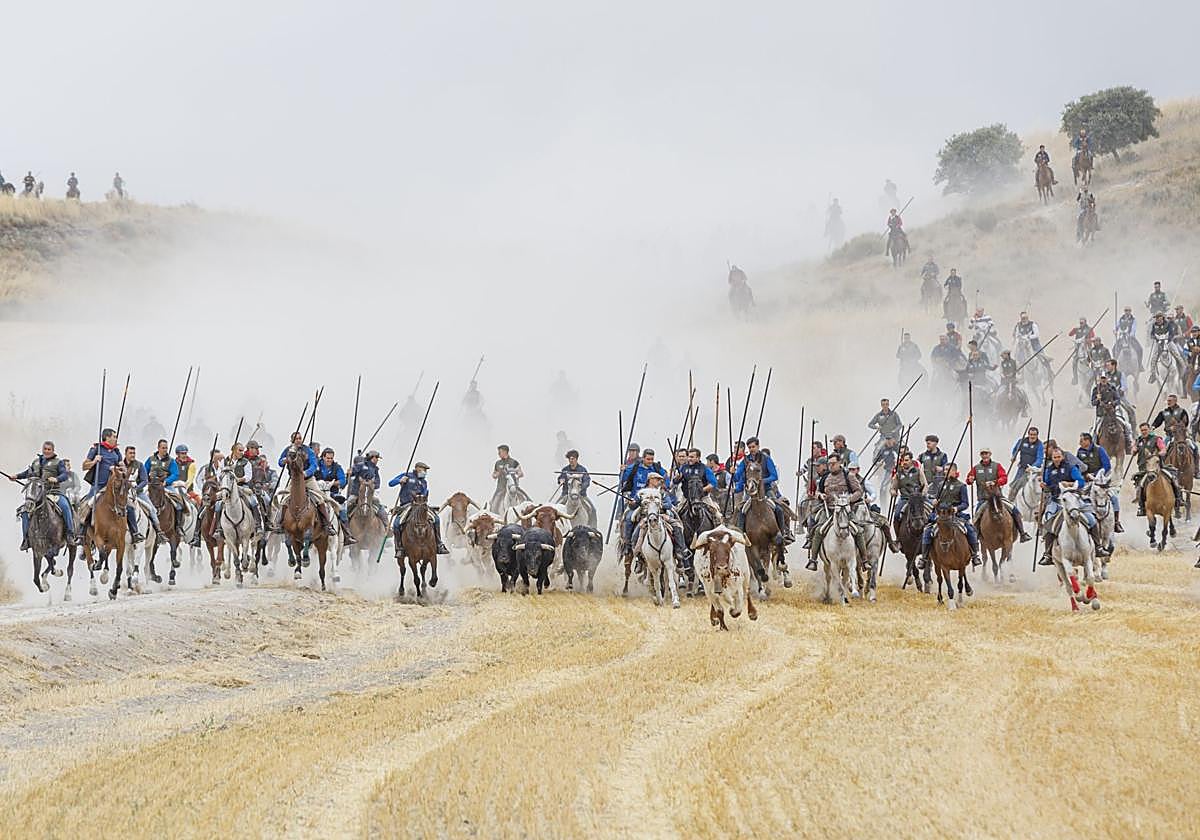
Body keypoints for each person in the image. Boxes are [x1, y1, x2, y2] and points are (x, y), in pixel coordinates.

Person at [1037, 446, 1107, 566]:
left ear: (1062, 456)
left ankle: (1098, 547)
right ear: (1052, 458)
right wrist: (1044, 485)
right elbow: (1047, 484)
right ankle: (1048, 554)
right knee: (1048, 522)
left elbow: (1081, 482)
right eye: (1054, 457)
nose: (1057, 459)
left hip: (1073, 499)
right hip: (1056, 500)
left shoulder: (1071, 467)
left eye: (1059, 457)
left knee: (1091, 519)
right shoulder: (1049, 470)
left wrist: (1069, 483)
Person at [807, 454, 870, 571]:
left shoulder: (849, 476)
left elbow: (859, 491)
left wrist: (848, 500)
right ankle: (813, 560)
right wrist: (820, 495)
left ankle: (865, 560)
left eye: (833, 464)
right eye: (829, 464)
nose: (831, 466)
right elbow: (817, 492)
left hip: (845, 511)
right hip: (828, 511)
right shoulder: (825, 478)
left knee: (858, 530)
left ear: (840, 463)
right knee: (818, 530)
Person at [10, 441, 76, 550]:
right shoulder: (36, 462)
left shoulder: (58, 462)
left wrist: (56, 479)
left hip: (53, 492)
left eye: (49, 449)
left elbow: (64, 475)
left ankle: (70, 534)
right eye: (45, 449)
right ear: (42, 449)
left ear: (53, 450)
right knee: (25, 511)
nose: (46, 451)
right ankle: (26, 539)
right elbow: (27, 473)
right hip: (37, 493)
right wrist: (16, 476)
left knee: (65, 506)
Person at [78, 428, 139, 542]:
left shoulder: (116, 451)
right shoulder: (96, 449)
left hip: (115, 487)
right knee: (87, 505)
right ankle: (81, 534)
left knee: (129, 505)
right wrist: (94, 461)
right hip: (99, 485)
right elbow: (84, 466)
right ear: (107, 437)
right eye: (114, 436)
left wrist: (120, 469)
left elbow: (123, 466)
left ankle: (135, 532)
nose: (116, 439)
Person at [732, 437, 794, 546]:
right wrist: (733, 472)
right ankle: (740, 533)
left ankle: (782, 533)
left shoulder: (766, 459)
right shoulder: (745, 461)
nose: (751, 449)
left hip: (766, 490)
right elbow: (737, 478)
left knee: (778, 508)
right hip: (750, 492)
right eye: (749, 447)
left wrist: (761, 481)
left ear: (758, 446)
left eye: (753, 447)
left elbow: (774, 476)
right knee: (740, 510)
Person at [921, 462, 981, 568]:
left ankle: (974, 554)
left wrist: (956, 508)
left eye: (948, 470)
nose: (945, 472)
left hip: (955, 515)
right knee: (927, 531)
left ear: (954, 471)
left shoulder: (961, 486)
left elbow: (965, 503)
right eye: (944, 470)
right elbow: (936, 499)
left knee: (969, 529)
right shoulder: (940, 485)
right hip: (940, 515)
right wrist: (934, 502)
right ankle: (924, 558)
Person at [277, 431, 337, 536]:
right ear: (292, 440)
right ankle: (280, 523)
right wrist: (286, 460)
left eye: (300, 438)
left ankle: (327, 524)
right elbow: (280, 462)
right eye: (296, 439)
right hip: (294, 481)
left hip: (308, 480)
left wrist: (306, 473)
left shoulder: (308, 450)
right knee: (284, 499)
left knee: (320, 498)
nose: (299, 440)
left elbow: (314, 465)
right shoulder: (288, 450)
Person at [966, 448, 1032, 542]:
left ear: (990, 454)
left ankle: (1022, 533)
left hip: (998, 498)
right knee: (976, 517)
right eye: (983, 454)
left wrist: (995, 482)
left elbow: (1004, 478)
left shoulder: (997, 466)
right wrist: (970, 479)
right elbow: (968, 480)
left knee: (1014, 510)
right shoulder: (976, 468)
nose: (985, 456)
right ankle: (976, 538)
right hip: (984, 498)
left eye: (986, 453)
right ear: (980, 455)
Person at [389, 461, 449, 556]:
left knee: (436, 519)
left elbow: (424, 494)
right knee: (396, 524)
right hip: (406, 505)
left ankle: (439, 544)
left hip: (420, 505)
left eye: (425, 470)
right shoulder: (407, 475)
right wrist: (400, 481)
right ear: (417, 468)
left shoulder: (424, 482)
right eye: (423, 470)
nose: (425, 472)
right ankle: (399, 547)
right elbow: (390, 483)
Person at [1077, 432, 1124, 534]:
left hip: (1101, 480)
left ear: (1087, 441)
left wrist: (1096, 475)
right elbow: (1078, 466)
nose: (1079, 443)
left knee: (1114, 498)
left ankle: (1116, 522)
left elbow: (1107, 466)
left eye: (1081, 440)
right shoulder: (1080, 452)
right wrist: (1084, 475)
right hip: (1087, 481)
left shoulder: (1099, 450)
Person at [313, 447, 352, 542]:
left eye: (331, 458)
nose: (329, 460)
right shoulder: (316, 465)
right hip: (316, 492)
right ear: (323, 457)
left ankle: (347, 534)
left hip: (332, 494)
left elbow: (342, 481)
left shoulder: (337, 467)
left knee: (342, 510)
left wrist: (332, 483)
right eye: (328, 458)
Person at [345, 450, 390, 531]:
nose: (377, 460)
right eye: (376, 458)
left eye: (377, 458)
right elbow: (352, 472)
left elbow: (377, 481)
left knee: (379, 505)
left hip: (370, 494)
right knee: (347, 505)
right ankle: (345, 527)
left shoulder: (375, 469)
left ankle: (386, 526)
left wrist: (372, 484)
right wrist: (350, 472)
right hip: (356, 493)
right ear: (371, 457)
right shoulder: (361, 465)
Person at [123, 445, 162, 537]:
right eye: (130, 453)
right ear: (125, 454)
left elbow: (145, 480)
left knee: (151, 508)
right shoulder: (120, 464)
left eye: (134, 453)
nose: (132, 455)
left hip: (138, 492)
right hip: (123, 492)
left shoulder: (139, 465)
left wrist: (136, 489)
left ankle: (159, 531)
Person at [1008, 426, 1044, 500]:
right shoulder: (1022, 441)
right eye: (1031, 434)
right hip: (1021, 468)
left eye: (1034, 435)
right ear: (1028, 434)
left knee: (1030, 486)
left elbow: (1040, 459)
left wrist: (1031, 467)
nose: (1032, 436)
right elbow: (1015, 449)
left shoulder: (1040, 445)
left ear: (1037, 435)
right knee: (1014, 484)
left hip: (1032, 470)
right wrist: (1013, 456)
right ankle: (1010, 500)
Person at [1148, 312, 1185, 382]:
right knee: (1154, 357)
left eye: (1159, 317)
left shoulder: (1168, 324)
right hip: (1158, 342)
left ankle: (1183, 368)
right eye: (1156, 317)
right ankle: (1153, 374)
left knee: (1177, 354)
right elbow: (1152, 334)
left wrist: (1167, 338)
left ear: (1162, 317)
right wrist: (1155, 337)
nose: (1157, 319)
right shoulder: (1154, 325)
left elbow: (1172, 333)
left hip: (1168, 342)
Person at [490, 444, 523, 511]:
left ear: (505, 452)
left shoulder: (514, 462)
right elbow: (494, 475)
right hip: (501, 488)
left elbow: (521, 473)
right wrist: (498, 473)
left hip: (513, 487)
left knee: (525, 498)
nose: (498, 454)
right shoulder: (498, 463)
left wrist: (517, 474)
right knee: (493, 502)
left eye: (500, 452)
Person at [1115, 305, 1144, 370]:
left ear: (1130, 311)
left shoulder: (1133, 320)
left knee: (1140, 349)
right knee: (1114, 348)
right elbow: (1117, 326)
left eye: (1128, 311)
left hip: (1130, 338)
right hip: (1122, 337)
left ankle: (1139, 365)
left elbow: (1134, 328)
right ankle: (1116, 364)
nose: (1127, 312)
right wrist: (1115, 331)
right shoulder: (1121, 319)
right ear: (1124, 311)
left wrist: (1131, 334)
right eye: (1126, 310)